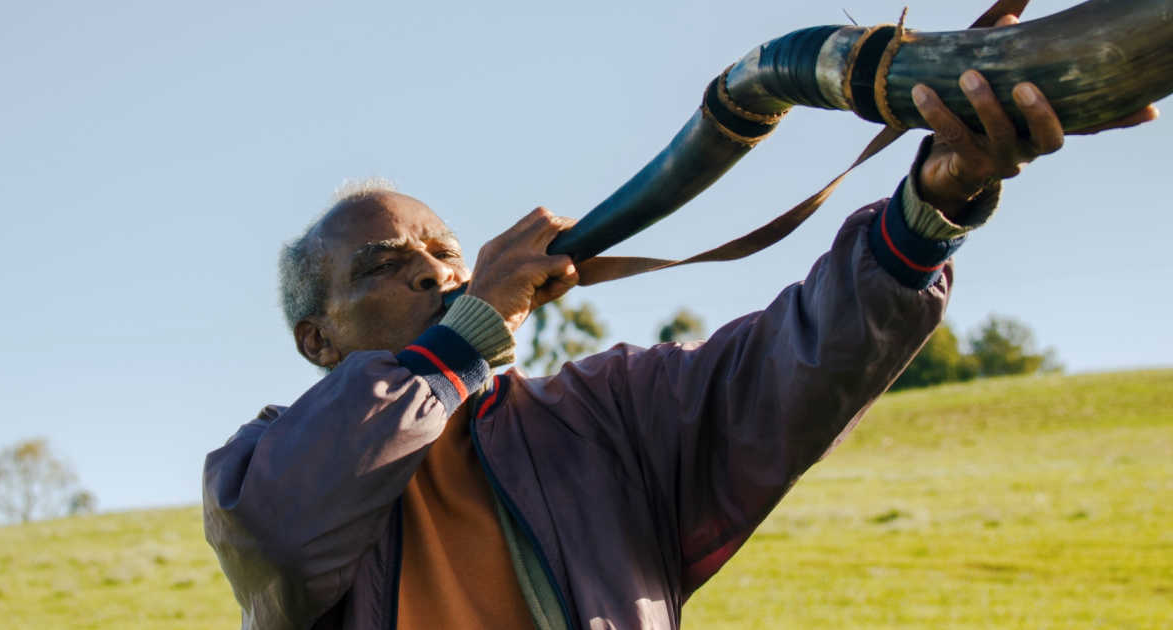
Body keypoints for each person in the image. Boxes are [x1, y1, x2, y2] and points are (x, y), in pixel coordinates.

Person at [202, 32, 1158, 630]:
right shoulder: (259, 471)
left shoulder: (601, 419)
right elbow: (288, 536)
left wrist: (932, 208)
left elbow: (794, 365)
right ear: (316, 340)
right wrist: (464, 333)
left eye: (448, 256)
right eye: (384, 266)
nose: (434, 270)